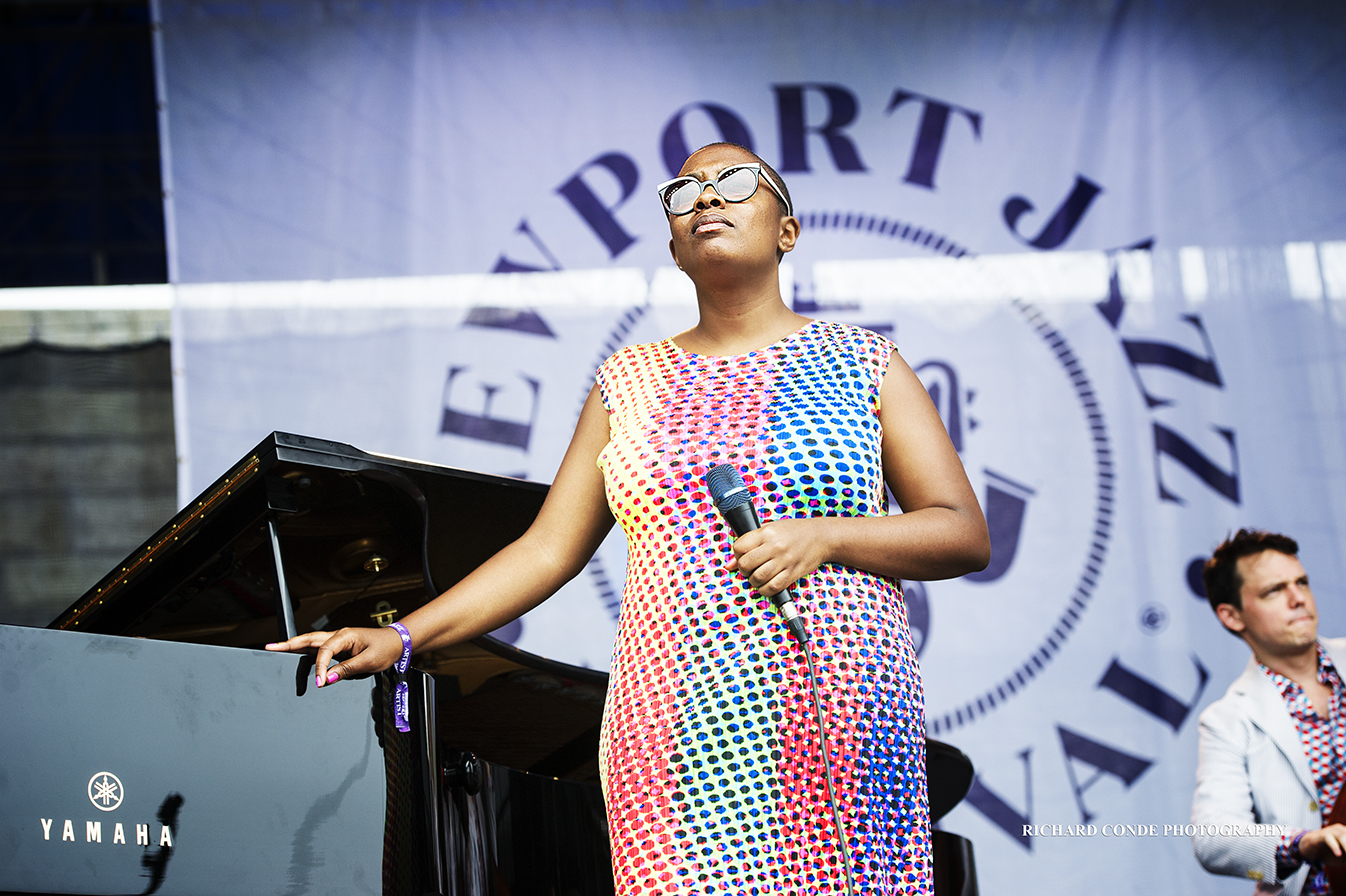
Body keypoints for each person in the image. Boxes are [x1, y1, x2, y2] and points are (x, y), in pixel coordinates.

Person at [269, 142, 990, 894]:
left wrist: (828, 535)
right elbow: (547, 550)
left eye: (736, 183)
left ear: (788, 230)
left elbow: (961, 531)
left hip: (840, 713)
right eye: (685, 193)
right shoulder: (627, 381)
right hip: (676, 732)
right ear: (675, 247)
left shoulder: (865, 362)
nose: (707, 198)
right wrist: (401, 636)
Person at [1192, 528, 1346, 895]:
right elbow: (1213, 838)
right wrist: (1304, 844)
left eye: (1301, 582)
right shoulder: (1226, 719)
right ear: (1232, 616)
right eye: (1274, 590)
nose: (1298, 599)